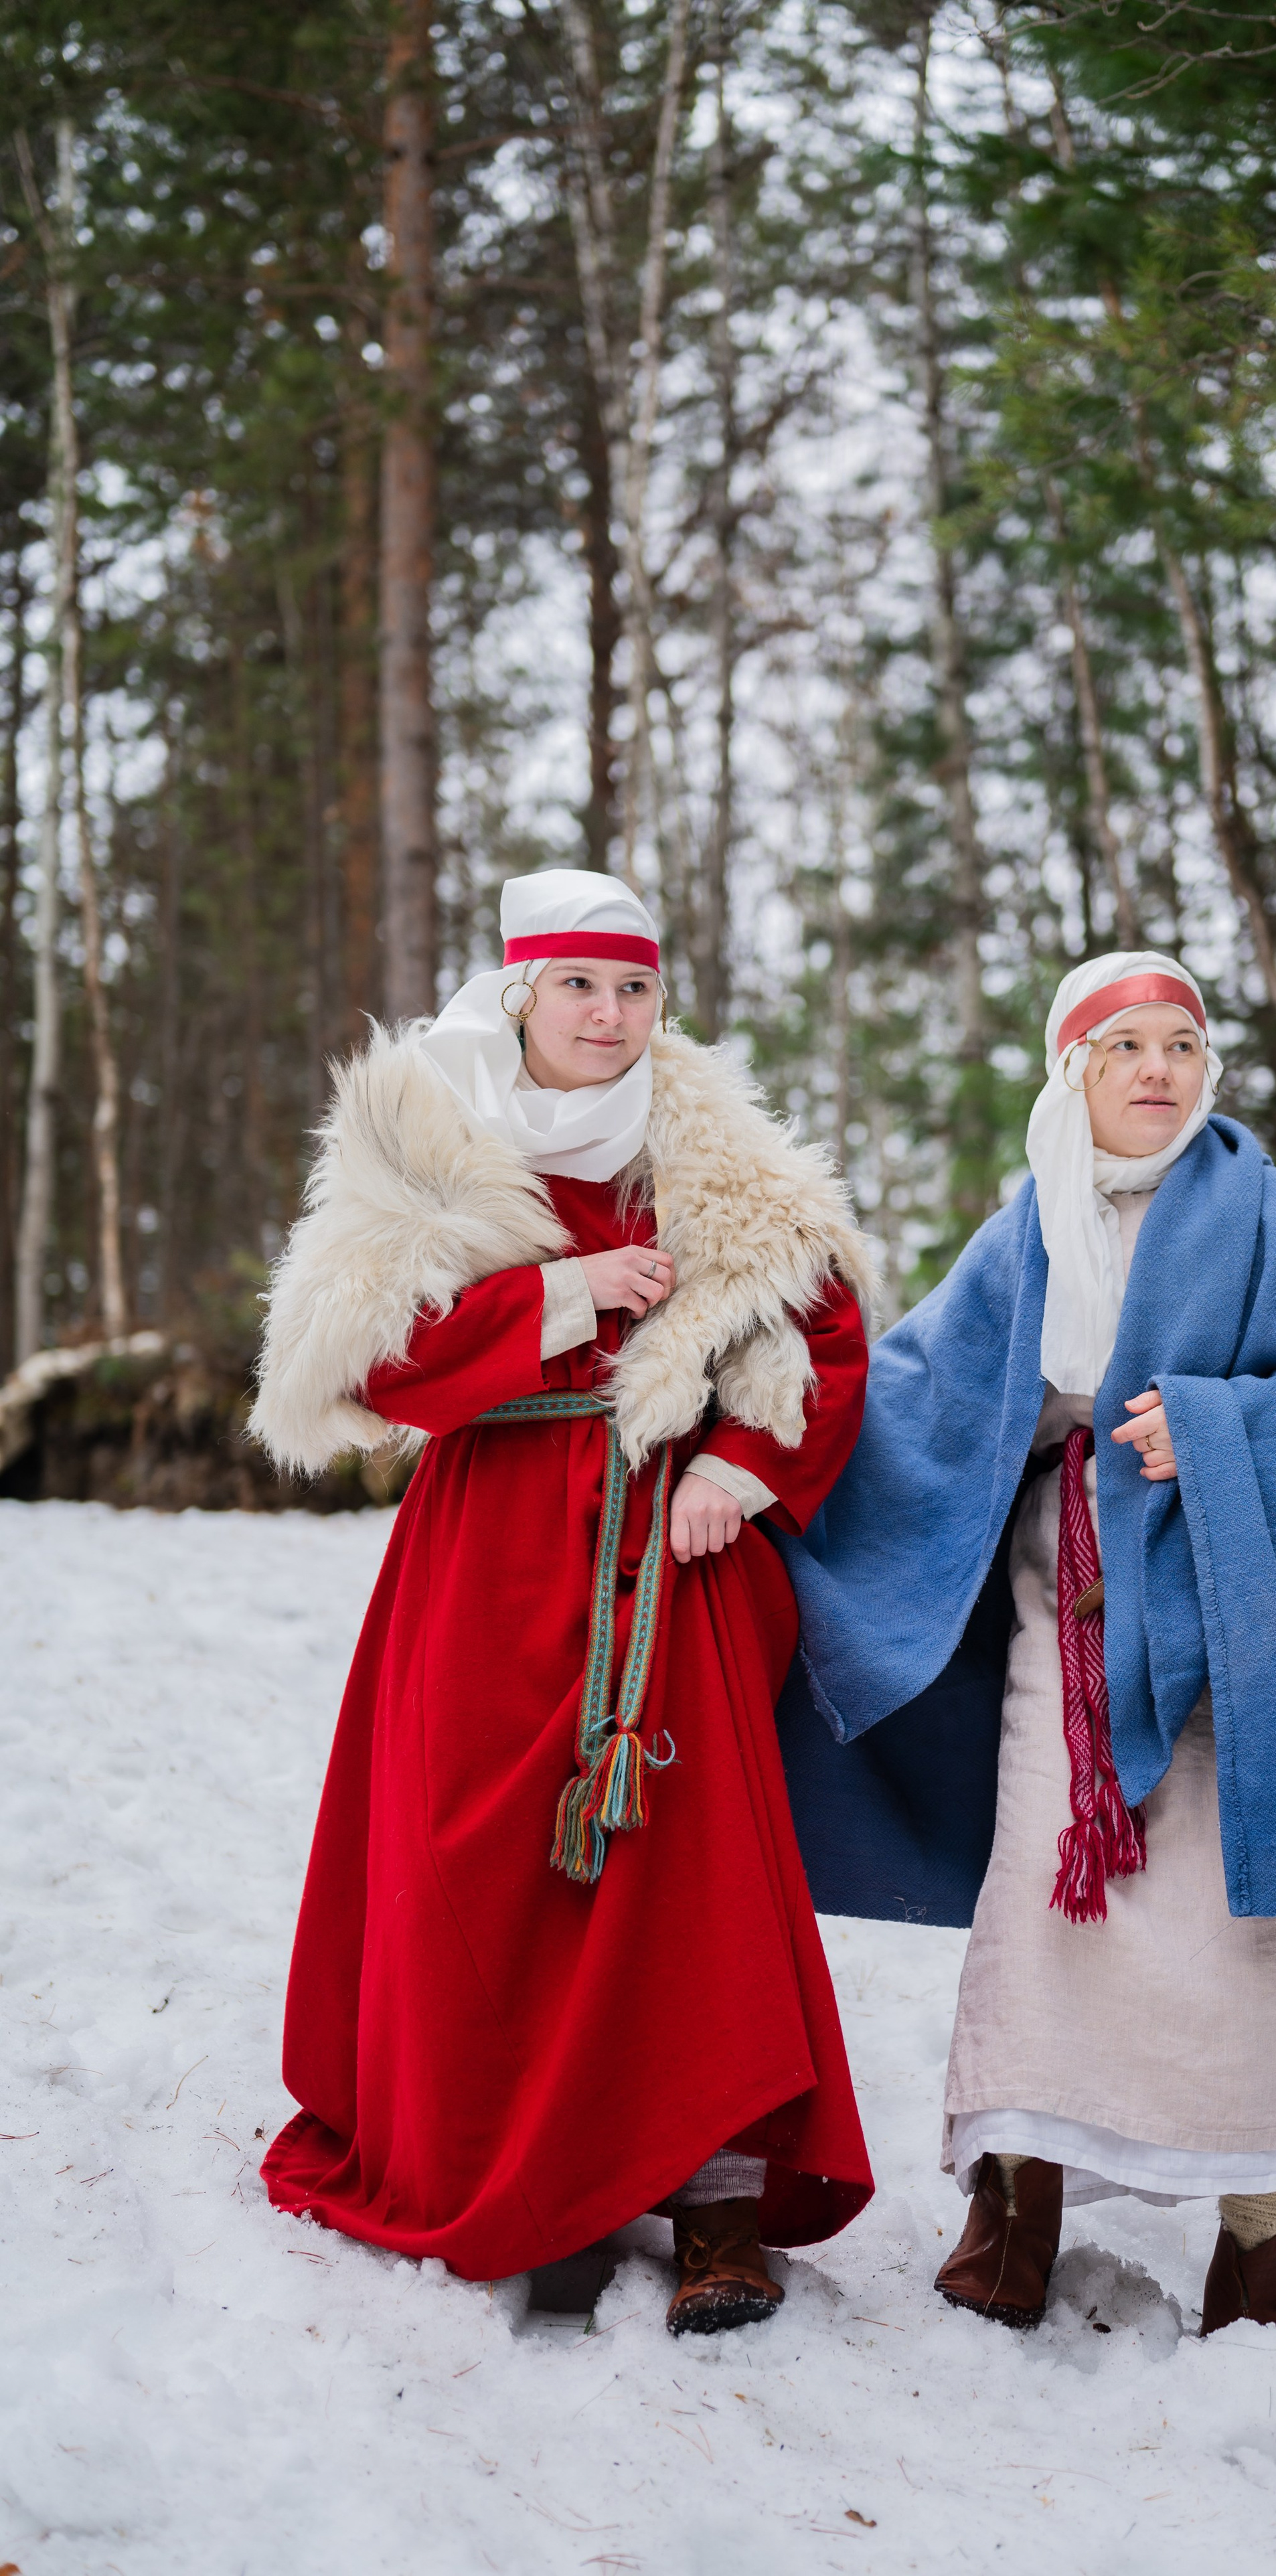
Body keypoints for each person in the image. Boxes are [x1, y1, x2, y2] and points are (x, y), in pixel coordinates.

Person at [775, 951, 1276, 2335]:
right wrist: (756, 1435)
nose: (1155, 1069)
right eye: (1121, 1046)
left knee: (1242, 1931)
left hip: (1234, 1638)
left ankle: (1252, 2238)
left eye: (1180, 1046)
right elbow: (912, 1404)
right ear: (1068, 1072)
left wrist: (1213, 1426)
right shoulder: (1027, 1228)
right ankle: (1015, 2202)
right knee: (1046, 1906)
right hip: (1061, 1631)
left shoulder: (1270, 1216)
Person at [251, 869, 876, 2335]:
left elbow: (824, 1327)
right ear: (522, 992)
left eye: (634, 989)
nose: (606, 1016)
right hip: (489, 1552)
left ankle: (717, 2203)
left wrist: (746, 1466)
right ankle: (524, 2172)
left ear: (664, 1003)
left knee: (692, 1871)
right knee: (478, 1857)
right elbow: (370, 1361)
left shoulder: (716, 1153)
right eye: (577, 987)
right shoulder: (426, 1141)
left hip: (676, 1552)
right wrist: (562, 1292)